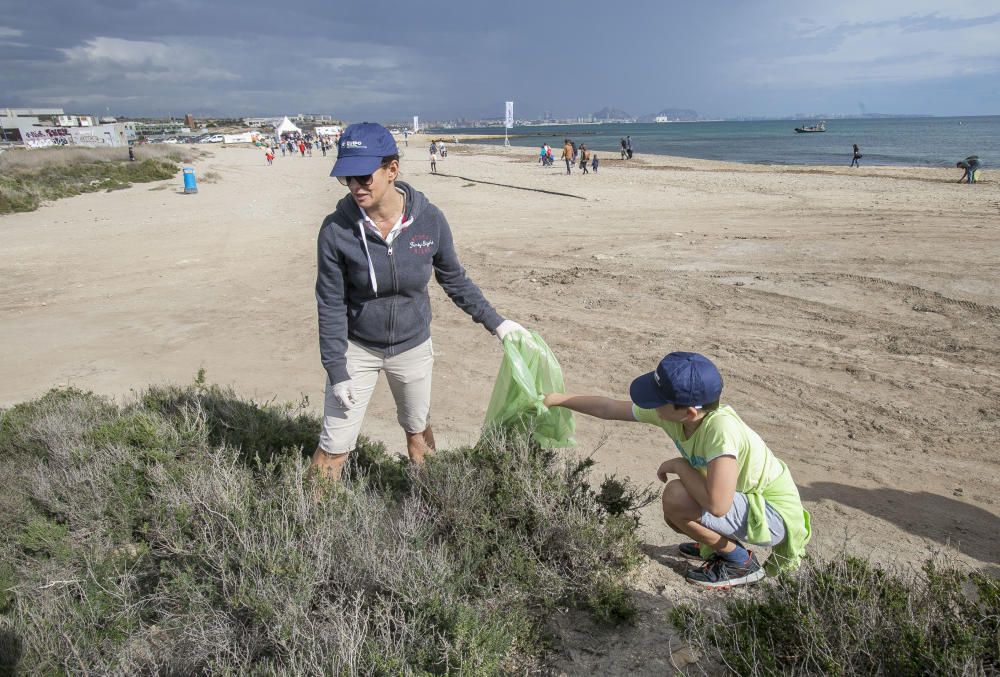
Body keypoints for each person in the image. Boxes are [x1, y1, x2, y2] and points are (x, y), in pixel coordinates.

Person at [313, 122, 526, 480]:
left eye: (363, 177)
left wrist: (498, 323)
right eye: (346, 178)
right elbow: (330, 303)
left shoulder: (429, 220)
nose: (355, 187)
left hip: (412, 347)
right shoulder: (336, 230)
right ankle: (308, 527)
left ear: (392, 169)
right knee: (334, 449)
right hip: (358, 349)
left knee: (419, 437)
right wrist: (337, 370)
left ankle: (433, 509)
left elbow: (454, 279)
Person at [544, 352, 811, 589]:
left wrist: (680, 466)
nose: (652, 405)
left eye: (660, 400)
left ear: (690, 413)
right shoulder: (672, 415)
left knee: (676, 498)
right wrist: (558, 399)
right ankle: (716, 546)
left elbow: (718, 505)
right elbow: (610, 408)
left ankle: (740, 563)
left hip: (774, 516)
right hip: (743, 502)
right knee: (676, 514)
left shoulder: (721, 431)